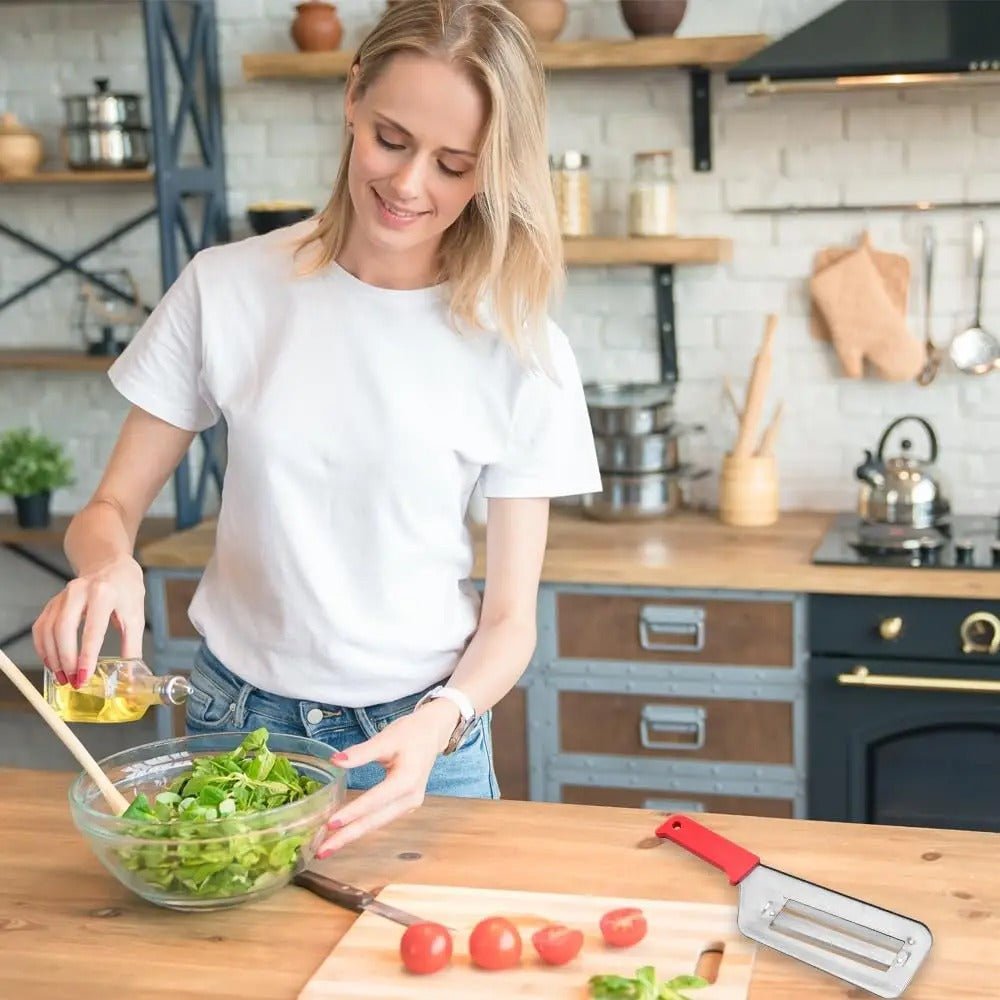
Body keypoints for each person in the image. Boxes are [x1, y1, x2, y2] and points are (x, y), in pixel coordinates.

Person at [30, 0, 600, 856]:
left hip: (424, 741)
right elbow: (105, 509)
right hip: (237, 729)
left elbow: (511, 620)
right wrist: (108, 566)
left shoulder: (519, 344)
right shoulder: (227, 287)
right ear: (352, 98)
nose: (410, 186)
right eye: (392, 139)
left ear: (494, 171)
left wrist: (443, 718)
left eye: (453, 164)